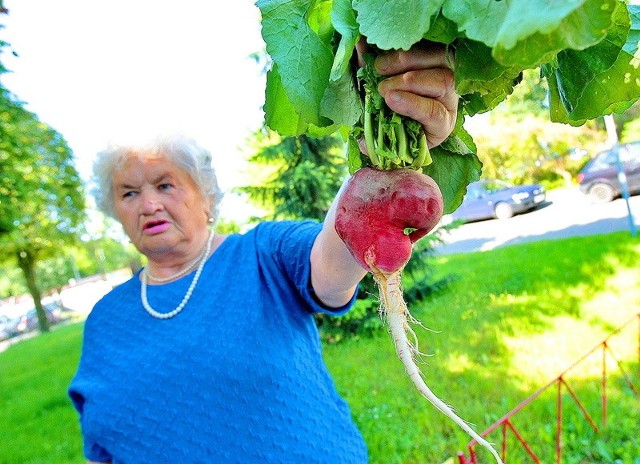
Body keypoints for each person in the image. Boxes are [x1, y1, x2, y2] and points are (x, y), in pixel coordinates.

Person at [68, 42, 458, 464]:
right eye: (129, 192)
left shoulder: (261, 254)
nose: (148, 205)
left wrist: (376, 166)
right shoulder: (105, 319)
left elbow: (331, 260)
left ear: (206, 197)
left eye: (165, 185)